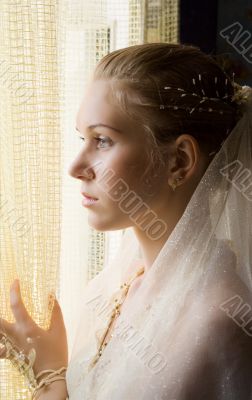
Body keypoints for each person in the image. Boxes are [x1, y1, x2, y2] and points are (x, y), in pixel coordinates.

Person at [1, 43, 252, 399]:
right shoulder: (116, 284)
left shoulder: (221, 323)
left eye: (102, 140)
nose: (75, 168)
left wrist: (51, 381)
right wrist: (53, 374)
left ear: (179, 160)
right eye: (82, 138)